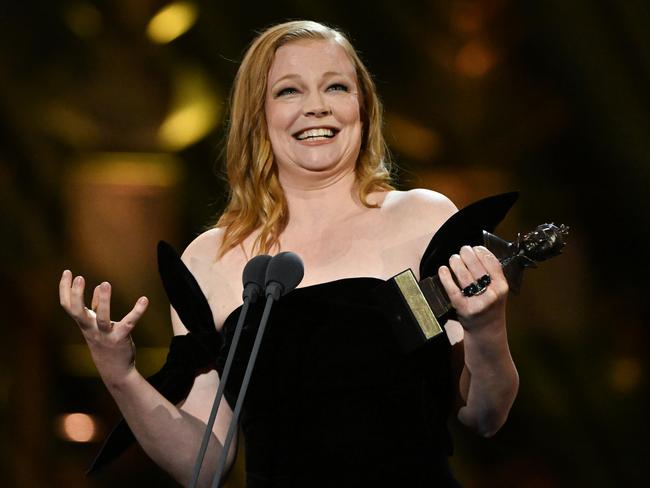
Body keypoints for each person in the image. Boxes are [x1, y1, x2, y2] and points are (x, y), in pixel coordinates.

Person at [59, 20, 518, 487]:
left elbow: (485, 415)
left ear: (363, 106)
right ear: (257, 114)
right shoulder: (210, 259)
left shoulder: (423, 218)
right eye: (289, 91)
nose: (316, 107)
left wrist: (487, 326)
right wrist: (121, 375)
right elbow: (204, 467)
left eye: (335, 86)